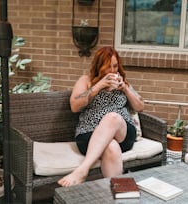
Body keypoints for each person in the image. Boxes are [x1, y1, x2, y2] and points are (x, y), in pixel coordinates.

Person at [57, 46, 144, 187]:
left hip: (123, 133)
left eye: (115, 66)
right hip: (89, 134)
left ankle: (83, 169)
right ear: (98, 66)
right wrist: (98, 86)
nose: (112, 71)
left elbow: (140, 106)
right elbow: (74, 105)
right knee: (111, 146)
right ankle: (117, 195)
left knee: (113, 117)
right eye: (107, 67)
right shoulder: (86, 80)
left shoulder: (123, 82)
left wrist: (125, 89)